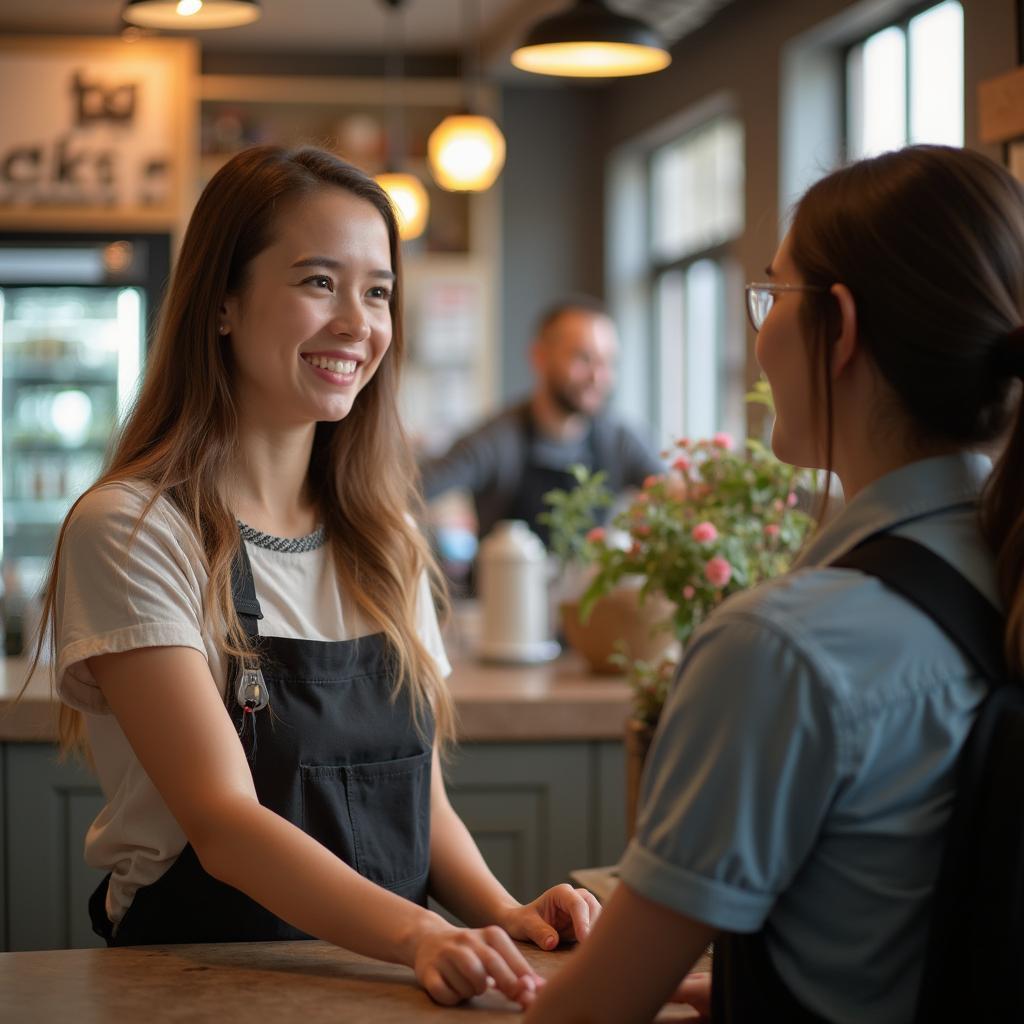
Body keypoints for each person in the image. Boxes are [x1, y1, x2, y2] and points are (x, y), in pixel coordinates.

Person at [35, 145, 600, 1009]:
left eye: (377, 292)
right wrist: (421, 934)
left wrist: (506, 916)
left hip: (386, 984)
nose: (357, 323)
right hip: (198, 985)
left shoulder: (387, 540)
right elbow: (224, 825)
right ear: (222, 302)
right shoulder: (135, 530)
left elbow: (421, 807)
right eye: (318, 282)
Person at [524, 144, 1024, 1023]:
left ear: (841, 325)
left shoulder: (781, 647)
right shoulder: (1005, 575)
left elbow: (587, 1014)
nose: (757, 339)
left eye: (772, 297)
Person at [419, 297, 662, 548]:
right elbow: (409, 493)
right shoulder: (496, 440)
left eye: (608, 362)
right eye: (583, 358)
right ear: (540, 357)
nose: (598, 377)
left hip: (593, 586)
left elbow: (674, 495)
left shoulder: (619, 439)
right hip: (503, 585)